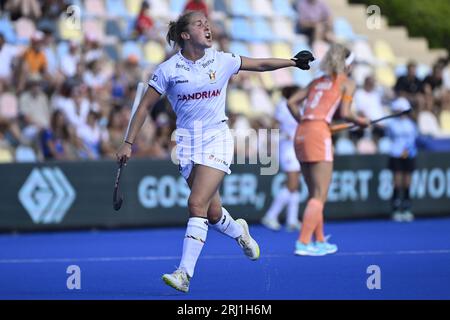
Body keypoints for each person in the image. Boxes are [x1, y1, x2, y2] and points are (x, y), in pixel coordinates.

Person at [115, 11, 314, 292]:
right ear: (185, 35)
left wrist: (293, 62)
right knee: (212, 212)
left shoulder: (222, 60)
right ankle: (239, 232)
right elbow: (145, 106)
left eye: (208, 24)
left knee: (196, 204)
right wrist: (128, 141)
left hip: (217, 139)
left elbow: (260, 64)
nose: (207, 28)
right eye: (199, 25)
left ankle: (184, 273)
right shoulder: (168, 70)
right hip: (185, 143)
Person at [287, 43, 369, 256]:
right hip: (318, 134)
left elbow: (291, 102)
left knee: (314, 193)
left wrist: (305, 121)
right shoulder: (347, 83)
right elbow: (346, 112)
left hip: (302, 132)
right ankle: (303, 242)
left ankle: (320, 240)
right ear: (347, 65)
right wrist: (361, 121)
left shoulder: (316, 81)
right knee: (320, 195)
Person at [261, 85, 302, 232]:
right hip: (287, 149)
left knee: (295, 185)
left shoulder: (297, 106)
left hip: (296, 148)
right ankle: (271, 215)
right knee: (291, 184)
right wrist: (284, 135)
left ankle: (292, 220)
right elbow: (274, 125)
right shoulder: (283, 106)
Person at [385, 97, 418, 222]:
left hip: (409, 154)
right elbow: (391, 136)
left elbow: (413, 139)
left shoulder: (411, 124)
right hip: (396, 154)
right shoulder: (392, 123)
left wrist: (408, 150)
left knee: (407, 182)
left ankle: (407, 208)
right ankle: (395, 209)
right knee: (397, 182)